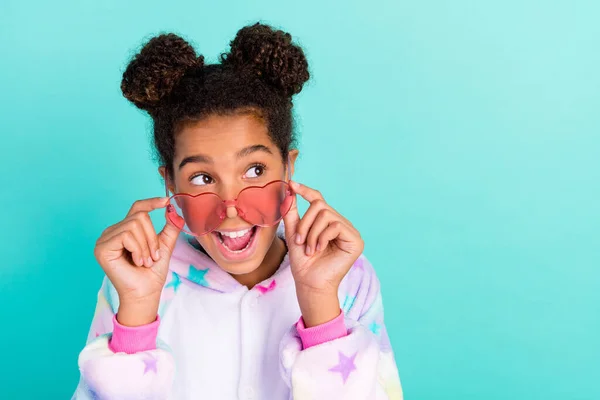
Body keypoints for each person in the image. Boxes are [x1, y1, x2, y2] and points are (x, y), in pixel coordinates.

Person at [72, 22, 403, 399]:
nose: (230, 209)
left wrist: (321, 305)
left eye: (255, 171)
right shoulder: (135, 280)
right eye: (201, 178)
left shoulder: (346, 277)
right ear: (171, 187)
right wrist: (137, 315)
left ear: (288, 168)